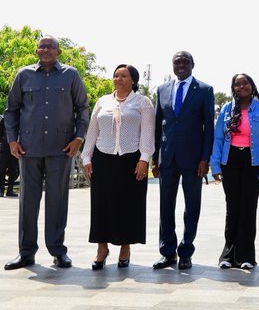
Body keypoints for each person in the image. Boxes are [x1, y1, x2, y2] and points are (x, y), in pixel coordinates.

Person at [4, 35, 89, 270]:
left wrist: (78, 139)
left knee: (57, 201)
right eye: (42, 46)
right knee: (27, 202)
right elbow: (11, 110)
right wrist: (13, 141)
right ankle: (26, 252)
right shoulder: (24, 75)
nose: (46, 49)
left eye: (50, 47)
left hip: (61, 149)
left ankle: (58, 251)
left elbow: (82, 108)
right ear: (36, 50)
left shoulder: (70, 75)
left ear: (58, 52)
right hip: (28, 148)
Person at [81, 64, 155, 269]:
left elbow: (148, 132)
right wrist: (87, 158)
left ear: (133, 80)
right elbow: (92, 131)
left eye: (123, 76)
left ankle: (125, 247)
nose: (118, 79)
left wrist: (144, 158)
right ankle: (101, 248)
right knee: (100, 204)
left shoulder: (142, 102)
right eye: (116, 75)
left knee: (129, 204)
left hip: (131, 160)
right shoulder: (103, 101)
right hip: (103, 158)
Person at [151, 51, 214, 270]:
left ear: (192, 64)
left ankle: (186, 250)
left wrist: (205, 158)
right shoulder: (162, 89)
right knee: (165, 207)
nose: (181, 65)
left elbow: (209, 128)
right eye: (177, 62)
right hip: (167, 158)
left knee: (192, 206)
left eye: (185, 61)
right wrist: (154, 158)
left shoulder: (205, 90)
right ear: (172, 65)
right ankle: (167, 252)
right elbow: (157, 126)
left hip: (193, 159)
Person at [210, 73, 259, 270]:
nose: (241, 87)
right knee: (232, 208)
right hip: (230, 161)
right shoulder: (226, 109)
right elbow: (219, 138)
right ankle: (228, 256)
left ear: (252, 85)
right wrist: (215, 165)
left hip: (252, 162)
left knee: (248, 208)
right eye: (237, 84)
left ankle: (246, 256)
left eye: (244, 83)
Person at [0, 115, 20, 197]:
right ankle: (1, 190)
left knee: (13, 169)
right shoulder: (4, 119)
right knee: (1, 169)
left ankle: (10, 190)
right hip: (4, 146)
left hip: (16, 146)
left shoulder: (20, 119)